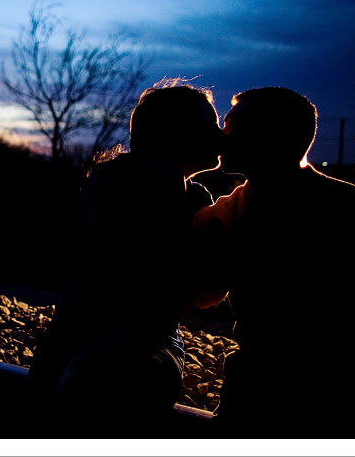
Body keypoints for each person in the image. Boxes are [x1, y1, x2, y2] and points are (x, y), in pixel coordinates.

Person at [28, 82, 226, 437]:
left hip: (154, 342)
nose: (221, 133)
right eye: (211, 124)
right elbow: (139, 271)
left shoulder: (199, 196)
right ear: (176, 135)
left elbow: (209, 296)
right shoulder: (114, 182)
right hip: (81, 330)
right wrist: (200, 260)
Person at [192, 87, 355, 438]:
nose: (222, 136)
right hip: (255, 396)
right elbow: (199, 291)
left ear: (274, 133)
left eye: (233, 125)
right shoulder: (229, 211)